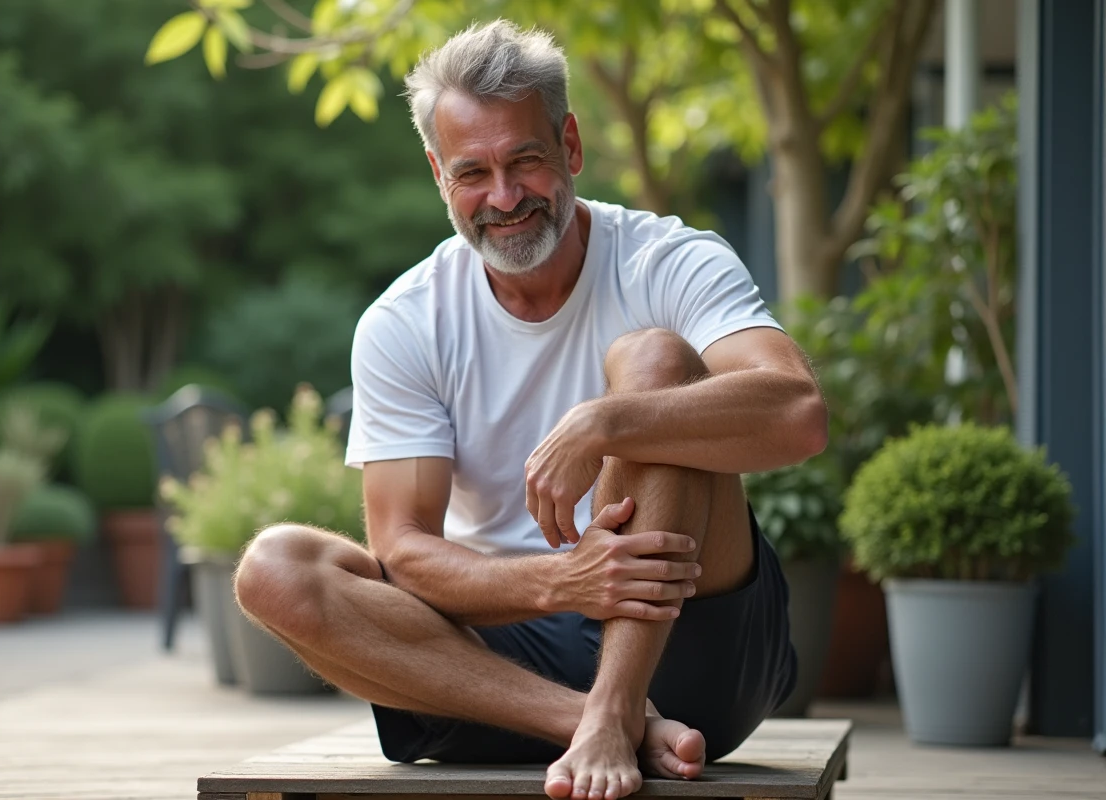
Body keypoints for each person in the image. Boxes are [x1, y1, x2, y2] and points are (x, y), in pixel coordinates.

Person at [234, 19, 827, 800]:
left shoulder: (667, 258)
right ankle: (596, 722)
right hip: (499, 667)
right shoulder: (406, 320)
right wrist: (564, 580)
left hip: (690, 633)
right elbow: (405, 551)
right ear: (437, 174)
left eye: (526, 161)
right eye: (472, 172)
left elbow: (799, 413)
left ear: (571, 147)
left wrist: (605, 421)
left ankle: (620, 705)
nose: (504, 198)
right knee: (272, 567)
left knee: (652, 361)